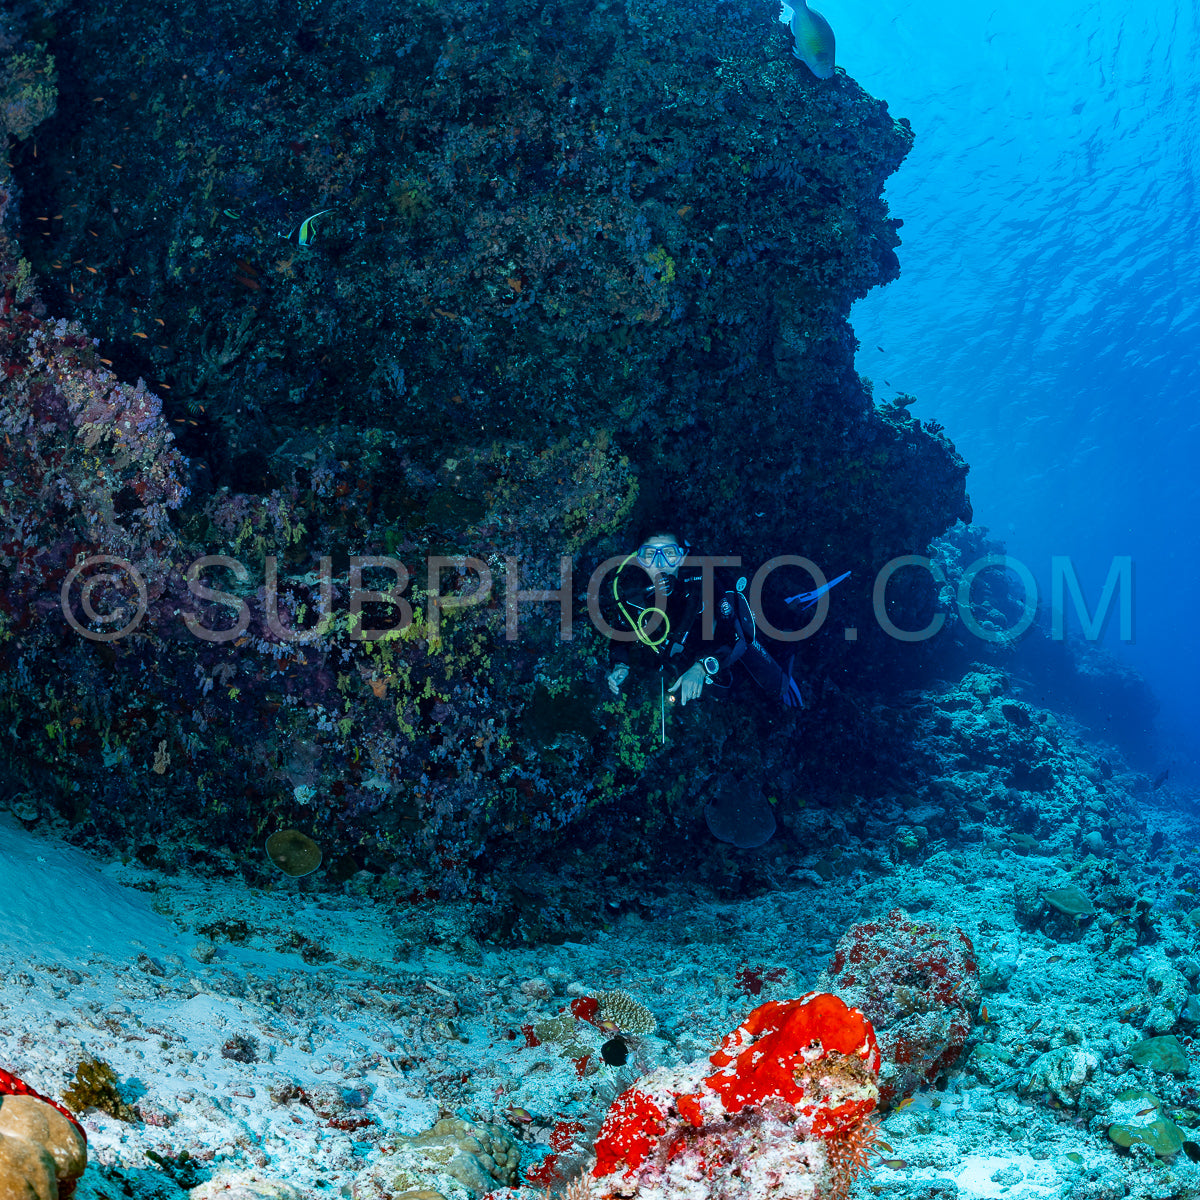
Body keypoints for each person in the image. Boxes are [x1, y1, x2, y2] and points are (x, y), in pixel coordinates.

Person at [605, 532, 714, 706]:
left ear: (681, 557)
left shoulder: (702, 587)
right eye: (650, 555)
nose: (660, 563)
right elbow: (621, 636)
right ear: (640, 561)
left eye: (669, 553)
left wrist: (701, 667)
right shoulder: (635, 597)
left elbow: (730, 636)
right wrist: (620, 665)